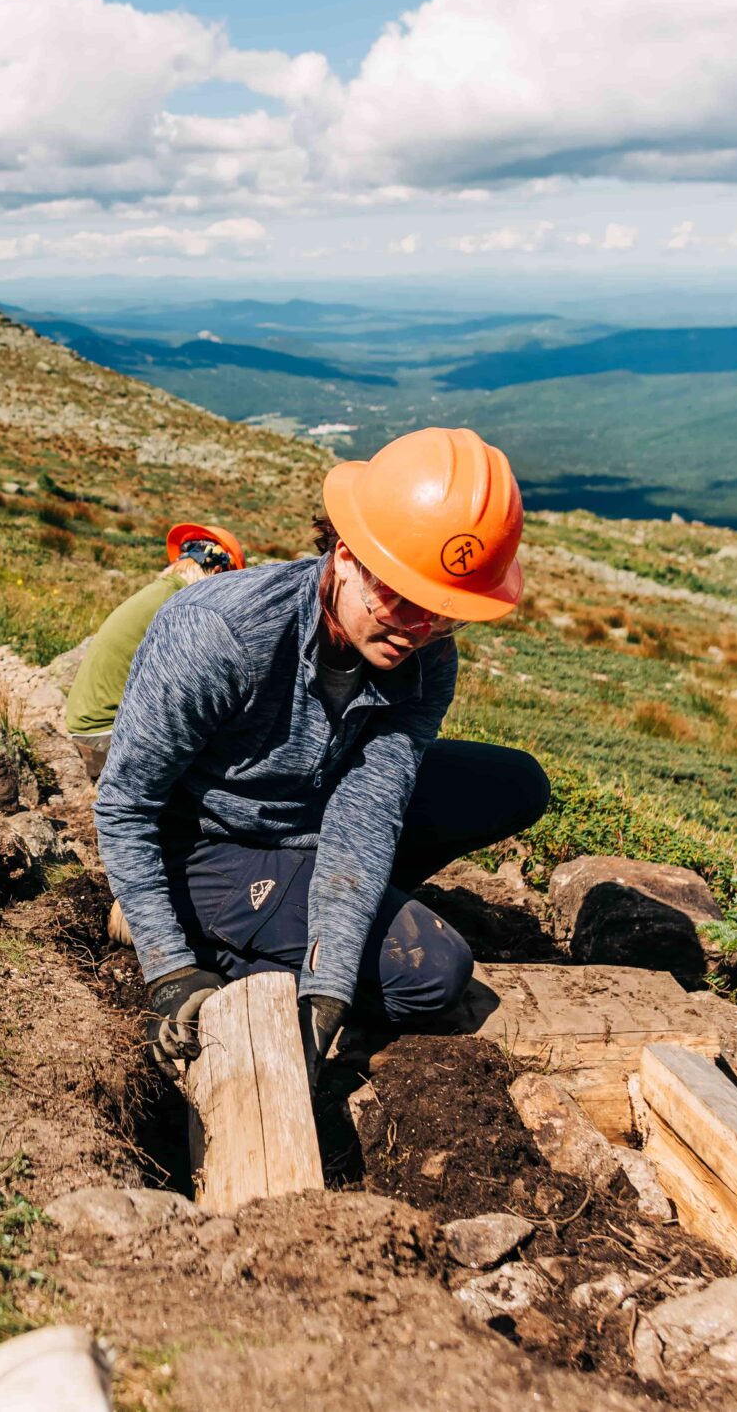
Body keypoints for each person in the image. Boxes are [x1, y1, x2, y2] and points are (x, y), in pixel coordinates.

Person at [94, 427, 551, 1080]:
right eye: (399, 597)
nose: (416, 631)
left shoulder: (424, 658)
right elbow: (125, 804)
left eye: (443, 614)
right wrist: (169, 968)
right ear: (345, 555)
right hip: (209, 841)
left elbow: (367, 811)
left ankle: (298, 915)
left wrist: (328, 982)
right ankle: (181, 918)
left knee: (513, 783)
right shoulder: (221, 634)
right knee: (434, 974)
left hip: (315, 809)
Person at [63, 522, 246, 779]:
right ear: (217, 570)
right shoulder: (184, 605)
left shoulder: (161, 592)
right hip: (108, 731)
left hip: (89, 722)